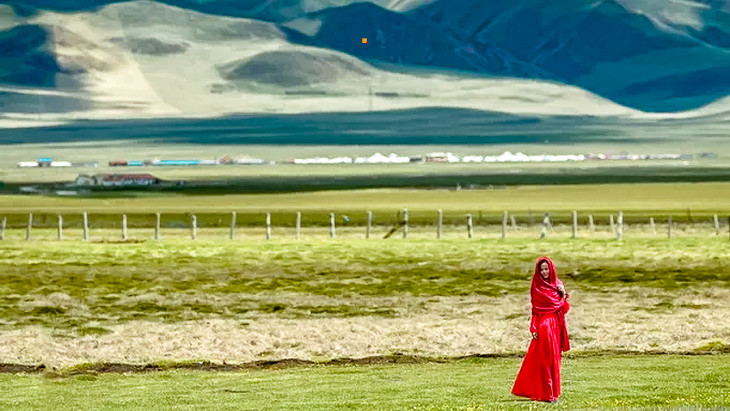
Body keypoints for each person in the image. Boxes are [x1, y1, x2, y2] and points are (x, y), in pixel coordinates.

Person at [511, 256, 571, 403]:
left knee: (554, 359)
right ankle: (547, 394)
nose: (544, 272)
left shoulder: (558, 285)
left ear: (551, 269)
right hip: (544, 325)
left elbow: (564, 309)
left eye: (546, 269)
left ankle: (552, 393)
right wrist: (533, 327)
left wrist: (563, 294)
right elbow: (535, 310)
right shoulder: (537, 286)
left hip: (556, 325)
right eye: (541, 270)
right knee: (545, 358)